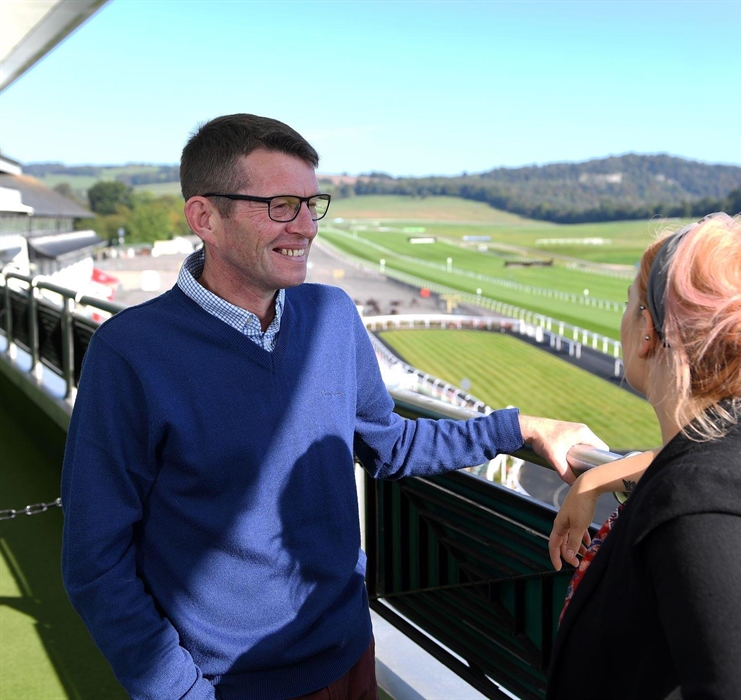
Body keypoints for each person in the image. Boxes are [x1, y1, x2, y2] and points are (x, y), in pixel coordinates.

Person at [60, 113, 607, 700]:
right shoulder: (130, 352)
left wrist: (518, 427)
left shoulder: (331, 315)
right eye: (279, 205)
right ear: (204, 218)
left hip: (349, 652)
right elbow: (97, 561)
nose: (305, 227)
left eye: (310, 203)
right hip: (231, 686)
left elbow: (388, 444)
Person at [546, 213, 741, 700]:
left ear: (647, 331)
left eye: (629, 305)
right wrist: (593, 480)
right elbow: (705, 462)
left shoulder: (701, 507)